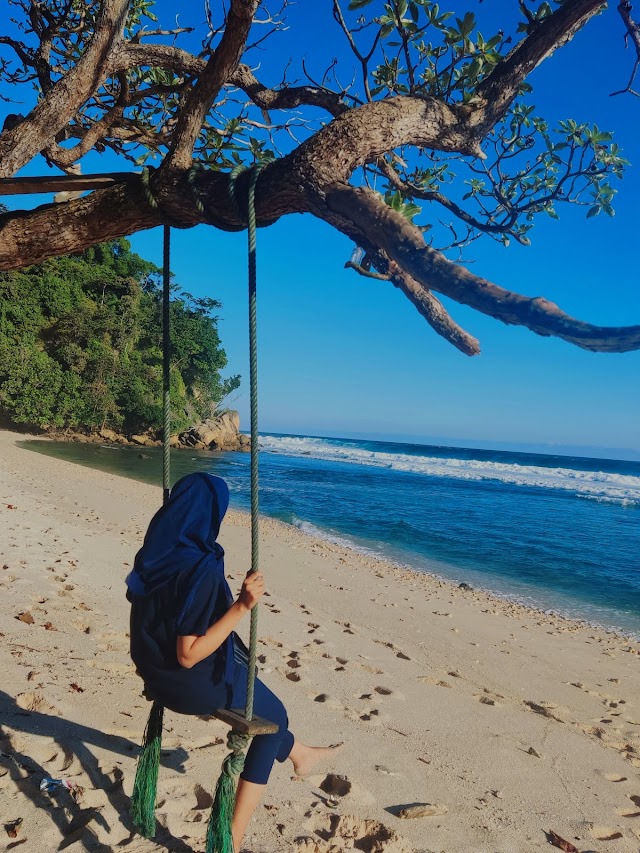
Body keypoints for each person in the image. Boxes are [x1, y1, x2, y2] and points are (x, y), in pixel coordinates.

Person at [126, 472, 341, 852]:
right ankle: (233, 838)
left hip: (151, 672)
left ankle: (302, 754)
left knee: (268, 711)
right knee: (274, 722)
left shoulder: (155, 551)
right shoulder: (201, 566)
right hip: (186, 683)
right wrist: (242, 605)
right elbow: (189, 653)